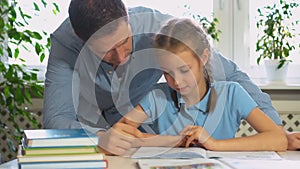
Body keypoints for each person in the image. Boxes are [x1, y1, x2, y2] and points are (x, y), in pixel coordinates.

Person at [42, 0, 299, 155]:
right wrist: (99, 137)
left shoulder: (162, 31)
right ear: (82, 41)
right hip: (105, 144)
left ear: (129, 19)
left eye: (125, 42)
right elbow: (57, 120)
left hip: (146, 140)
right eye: (106, 52)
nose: (121, 57)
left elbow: (231, 74)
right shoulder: (66, 45)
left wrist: (277, 132)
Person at [116, 18, 287, 151]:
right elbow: (120, 132)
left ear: (204, 58)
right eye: (167, 72)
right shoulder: (157, 96)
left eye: (184, 70)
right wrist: (176, 141)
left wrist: (213, 144)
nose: (176, 81)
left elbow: (278, 139)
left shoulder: (232, 94)